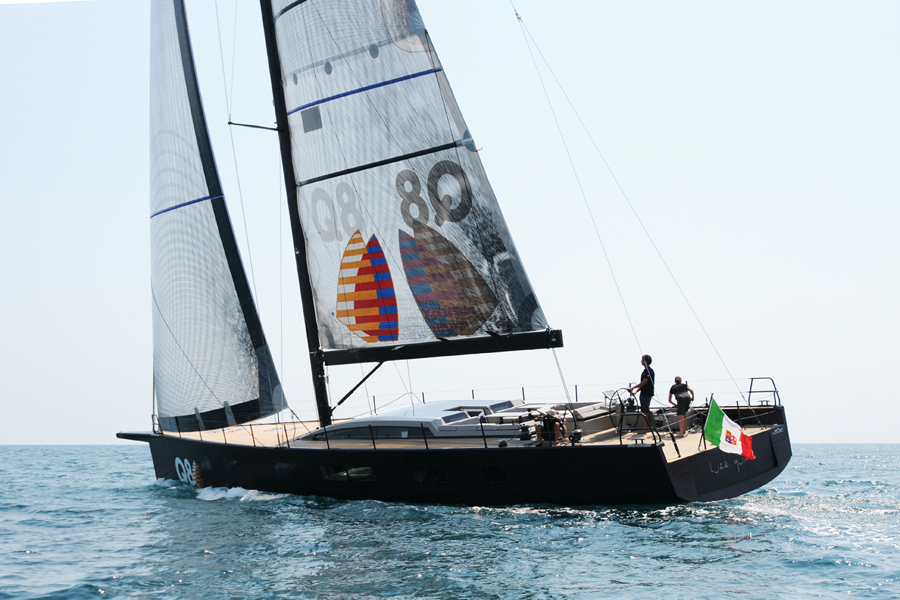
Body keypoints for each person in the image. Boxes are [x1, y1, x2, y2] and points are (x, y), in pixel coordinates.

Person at [627, 355, 655, 431]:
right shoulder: (645, 371)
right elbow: (643, 385)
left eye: (642, 360)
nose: (641, 361)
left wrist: (633, 387)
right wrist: (636, 391)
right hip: (643, 393)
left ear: (645, 361)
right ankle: (645, 426)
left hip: (647, 393)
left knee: (645, 410)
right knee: (643, 409)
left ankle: (646, 427)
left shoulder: (649, 371)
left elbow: (644, 382)